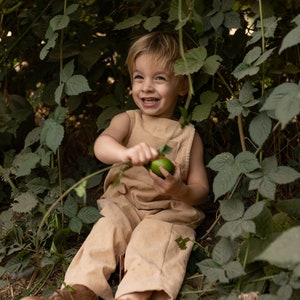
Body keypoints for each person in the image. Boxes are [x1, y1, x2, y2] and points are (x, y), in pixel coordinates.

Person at [23, 31, 209, 300]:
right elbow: (102, 145)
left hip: (167, 212)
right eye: (139, 77)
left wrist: (179, 190)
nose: (146, 87)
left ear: (182, 86)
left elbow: (201, 190)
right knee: (105, 231)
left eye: (159, 78)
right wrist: (126, 153)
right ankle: (77, 292)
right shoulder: (129, 120)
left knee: (155, 243)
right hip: (125, 204)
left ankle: (134, 295)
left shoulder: (189, 135)